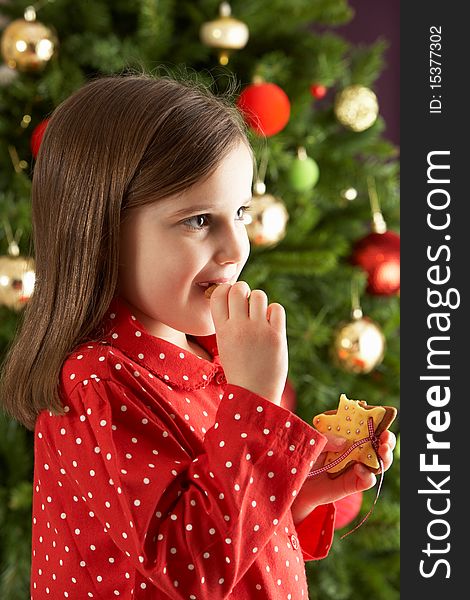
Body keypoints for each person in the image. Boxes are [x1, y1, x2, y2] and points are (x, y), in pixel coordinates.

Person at [0, 73, 395, 599]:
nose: (237, 247)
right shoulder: (99, 381)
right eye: (198, 220)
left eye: (240, 213)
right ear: (102, 232)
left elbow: (231, 530)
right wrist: (255, 402)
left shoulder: (209, 358)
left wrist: (300, 491)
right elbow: (189, 568)